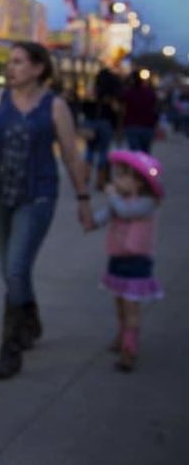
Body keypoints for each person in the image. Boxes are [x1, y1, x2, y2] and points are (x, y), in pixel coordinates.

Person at [0, 42, 93, 380]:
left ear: (38, 68)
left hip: (36, 197)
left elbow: (70, 154)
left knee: (15, 269)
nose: (10, 67)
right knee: (12, 269)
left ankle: (10, 349)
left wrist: (83, 199)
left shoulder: (55, 106)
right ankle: (30, 317)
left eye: (18, 62)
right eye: (10, 62)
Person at [90, 150, 164, 373]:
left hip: (137, 263)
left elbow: (124, 212)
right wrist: (89, 220)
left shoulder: (146, 203)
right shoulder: (119, 200)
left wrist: (112, 196)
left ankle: (129, 348)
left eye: (122, 176)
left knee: (132, 308)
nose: (116, 180)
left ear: (138, 183)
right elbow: (102, 217)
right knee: (120, 305)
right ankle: (122, 335)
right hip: (118, 259)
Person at [86, 62, 122, 190]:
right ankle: (100, 180)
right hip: (106, 122)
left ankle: (85, 175)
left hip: (91, 121)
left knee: (89, 149)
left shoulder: (93, 91)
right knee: (103, 151)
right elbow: (117, 110)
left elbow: (84, 105)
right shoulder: (112, 94)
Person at [120, 73, 157, 153]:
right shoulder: (150, 92)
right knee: (144, 152)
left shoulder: (129, 92)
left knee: (135, 152)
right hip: (147, 125)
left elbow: (120, 100)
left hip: (132, 125)